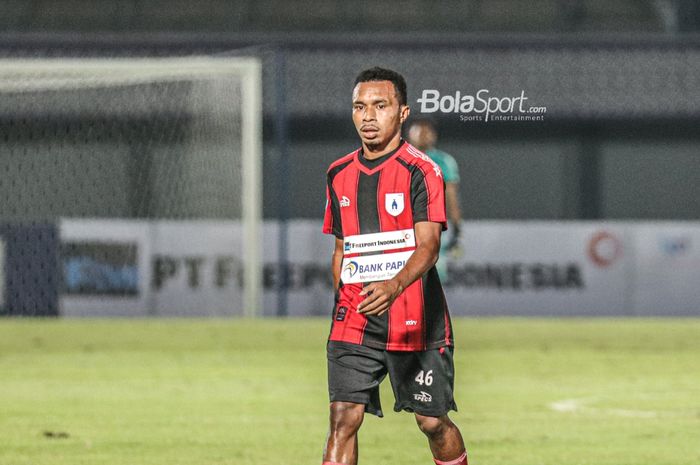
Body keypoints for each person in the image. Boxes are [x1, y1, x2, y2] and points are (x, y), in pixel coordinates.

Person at [321, 67, 468, 465]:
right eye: (359, 107)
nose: (368, 116)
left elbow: (429, 247)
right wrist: (344, 300)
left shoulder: (422, 171)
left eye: (380, 106)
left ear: (402, 113)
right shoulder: (338, 174)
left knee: (432, 422)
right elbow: (341, 248)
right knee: (342, 419)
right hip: (356, 318)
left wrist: (393, 285)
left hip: (415, 320)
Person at [407, 118, 463, 281]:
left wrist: (457, 226)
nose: (423, 135)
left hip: (434, 226)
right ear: (410, 134)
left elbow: (451, 195)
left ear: (433, 136)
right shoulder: (399, 158)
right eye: (419, 131)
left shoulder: (444, 161)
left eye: (427, 132)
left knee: (433, 276)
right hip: (404, 227)